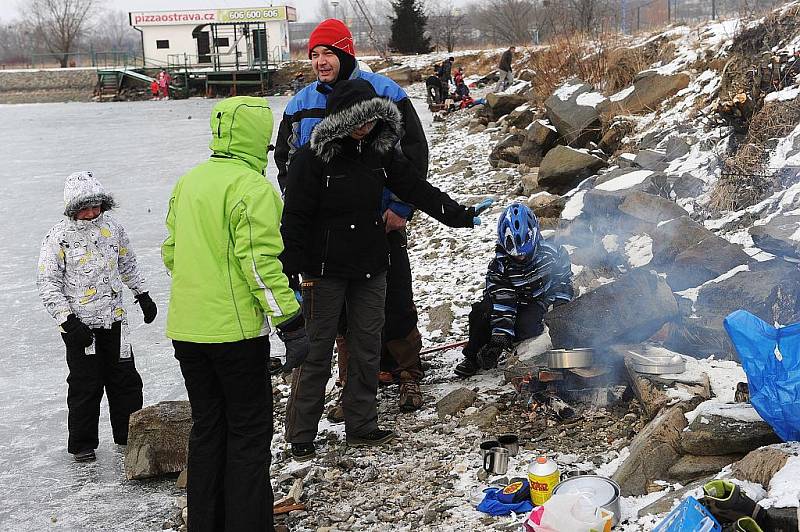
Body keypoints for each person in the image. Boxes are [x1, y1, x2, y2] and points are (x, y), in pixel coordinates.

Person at [281, 78, 493, 461]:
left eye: (372, 119)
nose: (366, 126)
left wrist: (460, 215)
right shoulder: (311, 159)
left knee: (366, 347)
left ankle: (362, 425)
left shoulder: (378, 152)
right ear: (342, 119)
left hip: (370, 265)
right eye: (359, 120)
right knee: (316, 351)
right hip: (323, 269)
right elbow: (294, 218)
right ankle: (300, 434)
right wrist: (290, 274)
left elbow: (417, 189)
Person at [162, 96, 307, 531]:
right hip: (235, 335)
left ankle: (206, 523)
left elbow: (171, 253)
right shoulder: (253, 188)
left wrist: (203, 284)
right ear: (258, 139)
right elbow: (261, 265)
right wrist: (290, 321)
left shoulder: (189, 182)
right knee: (247, 432)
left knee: (208, 427)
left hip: (188, 331)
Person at [274, 18, 432, 412]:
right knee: (340, 312)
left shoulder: (384, 91)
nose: (320, 62)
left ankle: (408, 374)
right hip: (325, 233)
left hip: (379, 222)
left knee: (395, 298)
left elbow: (413, 152)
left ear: (346, 54)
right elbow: (286, 163)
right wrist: (300, 213)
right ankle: (354, 385)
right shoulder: (300, 103)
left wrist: (400, 207)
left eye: (328, 53)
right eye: (313, 55)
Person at [37, 171, 157, 463]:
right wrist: (67, 320)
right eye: (85, 207)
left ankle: (129, 436)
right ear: (73, 208)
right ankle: (82, 444)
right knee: (85, 386)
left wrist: (142, 294)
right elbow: (47, 282)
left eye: (96, 206)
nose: (92, 213)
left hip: (115, 322)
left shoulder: (113, 229)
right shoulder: (59, 237)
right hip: (82, 329)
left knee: (126, 381)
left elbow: (127, 263)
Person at [454, 203, 574, 378]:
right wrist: (499, 338)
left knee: (531, 326)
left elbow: (563, 281)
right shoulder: (499, 267)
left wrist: (561, 305)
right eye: (515, 255)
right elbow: (504, 303)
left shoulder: (553, 253)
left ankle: (508, 341)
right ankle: (473, 356)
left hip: (535, 300)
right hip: (501, 304)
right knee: (481, 315)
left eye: (524, 253)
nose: (520, 257)